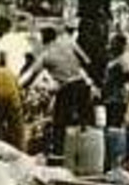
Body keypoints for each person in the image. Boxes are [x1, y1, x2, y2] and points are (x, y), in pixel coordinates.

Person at [20, 26, 92, 154]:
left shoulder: (45, 55)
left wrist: (17, 86)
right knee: (83, 125)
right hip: (82, 85)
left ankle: (60, 153)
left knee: (60, 124)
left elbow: (31, 75)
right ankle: (83, 153)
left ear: (43, 38)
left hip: (67, 88)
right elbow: (87, 60)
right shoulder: (69, 42)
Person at [102, 33, 129, 128]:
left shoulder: (121, 62)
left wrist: (114, 81)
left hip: (117, 98)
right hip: (112, 97)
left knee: (114, 124)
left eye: (113, 44)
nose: (110, 46)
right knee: (111, 123)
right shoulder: (114, 61)